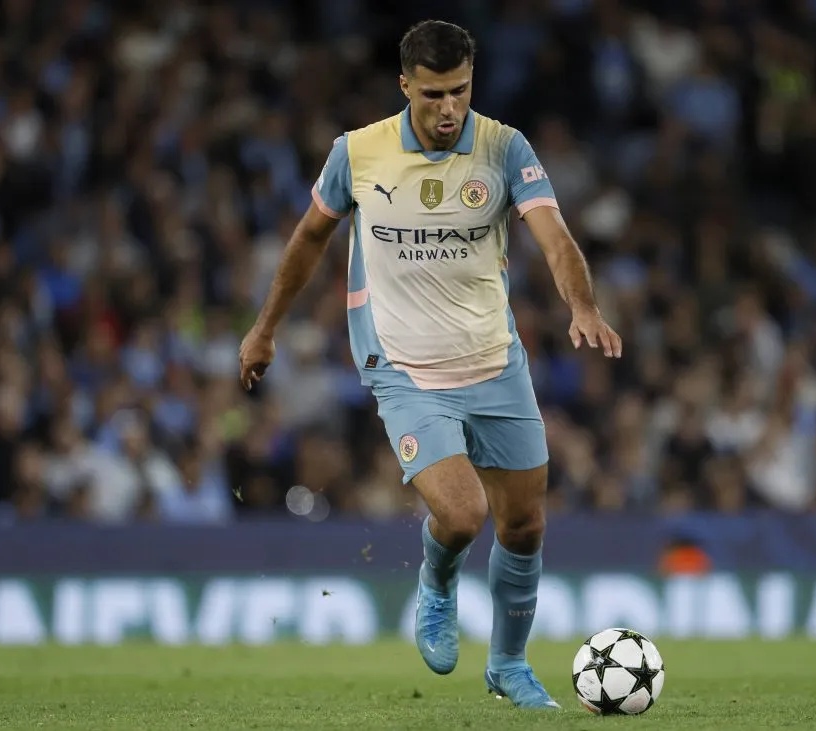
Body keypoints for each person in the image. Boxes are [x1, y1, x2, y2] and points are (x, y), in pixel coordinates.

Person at [238, 19, 621, 709]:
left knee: (526, 524)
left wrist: (583, 306)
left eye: (462, 92)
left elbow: (556, 236)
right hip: (405, 367)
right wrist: (264, 329)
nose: (450, 109)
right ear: (405, 85)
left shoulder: (504, 147)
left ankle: (507, 665)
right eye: (436, 94)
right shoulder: (358, 153)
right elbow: (308, 239)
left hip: (494, 360)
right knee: (463, 511)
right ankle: (438, 584)